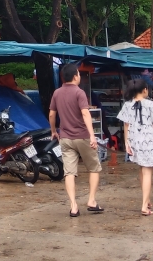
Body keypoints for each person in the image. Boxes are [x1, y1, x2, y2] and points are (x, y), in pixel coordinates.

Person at [49, 62, 103, 217]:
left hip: (65, 138)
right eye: (79, 73)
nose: (80, 76)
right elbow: (85, 114)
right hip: (83, 137)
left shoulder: (57, 93)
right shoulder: (79, 93)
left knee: (69, 173)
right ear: (75, 76)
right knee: (94, 168)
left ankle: (73, 206)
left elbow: (52, 114)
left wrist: (54, 131)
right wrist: (92, 135)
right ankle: (91, 201)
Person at [118, 78, 153, 216]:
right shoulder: (150, 104)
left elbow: (126, 125)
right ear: (145, 90)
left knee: (141, 168)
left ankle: (147, 199)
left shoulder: (127, 105)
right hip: (148, 139)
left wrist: (127, 142)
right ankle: (145, 206)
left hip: (134, 139)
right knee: (147, 171)